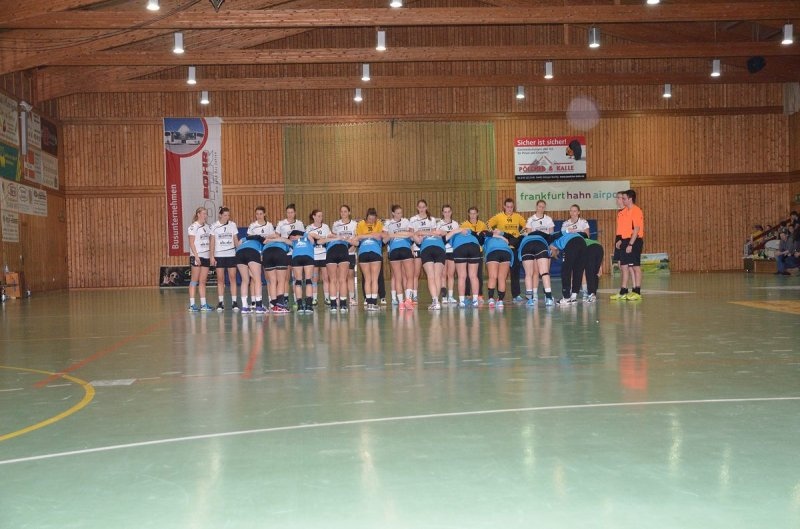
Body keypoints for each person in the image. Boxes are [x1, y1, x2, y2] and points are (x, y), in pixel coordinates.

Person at [487, 198, 526, 302]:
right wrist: (495, 234)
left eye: (511, 207)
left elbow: (526, 226)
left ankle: (516, 295)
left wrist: (519, 235)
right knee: (498, 273)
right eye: (508, 207)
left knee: (515, 271)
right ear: (504, 206)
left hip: (513, 247)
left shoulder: (518, 217)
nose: (509, 209)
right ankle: (498, 296)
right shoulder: (498, 216)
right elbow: (488, 224)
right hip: (502, 247)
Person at [611, 189, 645, 301]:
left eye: (624, 198)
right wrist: (621, 240)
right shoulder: (625, 212)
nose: (622, 200)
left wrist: (630, 244)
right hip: (625, 240)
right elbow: (625, 229)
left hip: (634, 240)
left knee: (635, 266)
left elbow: (636, 229)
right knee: (624, 265)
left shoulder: (636, 211)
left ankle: (637, 291)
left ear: (630, 199)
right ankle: (623, 291)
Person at [523, 200, 555, 307]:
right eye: (539, 206)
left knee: (545, 271)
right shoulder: (531, 219)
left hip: (545, 246)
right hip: (534, 246)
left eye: (543, 207)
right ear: (536, 207)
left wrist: (551, 246)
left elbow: (551, 235)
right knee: (535, 271)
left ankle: (547, 295)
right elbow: (528, 235)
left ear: (545, 208)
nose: (541, 208)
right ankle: (535, 294)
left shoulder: (548, 219)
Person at [383, 205, 415, 310]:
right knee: (400, 277)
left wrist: (395, 235)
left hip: (405, 248)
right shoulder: (388, 223)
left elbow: (412, 235)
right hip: (395, 249)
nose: (399, 215)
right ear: (393, 213)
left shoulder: (406, 221)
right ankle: (404, 301)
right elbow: (384, 239)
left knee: (407, 276)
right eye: (397, 213)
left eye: (401, 213)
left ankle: (405, 302)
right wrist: (393, 235)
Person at [327, 205, 358, 312]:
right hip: (340, 249)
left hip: (350, 250)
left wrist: (352, 247)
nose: (343, 213)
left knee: (349, 276)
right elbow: (333, 237)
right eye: (341, 211)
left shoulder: (354, 224)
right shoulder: (336, 224)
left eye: (345, 211)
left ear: (349, 212)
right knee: (337, 276)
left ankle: (352, 298)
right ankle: (337, 298)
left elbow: (356, 238)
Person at [209, 206, 240, 312]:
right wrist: (212, 256)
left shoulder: (232, 225)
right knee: (220, 279)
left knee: (232, 278)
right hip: (219, 255)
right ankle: (220, 302)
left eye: (228, 215)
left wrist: (239, 252)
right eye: (225, 215)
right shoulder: (214, 226)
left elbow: (235, 240)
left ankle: (234, 302)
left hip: (231, 255)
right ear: (220, 215)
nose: (227, 217)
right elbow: (212, 242)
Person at [276, 204, 305, 308]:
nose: (290, 214)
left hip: (297, 252)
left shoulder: (299, 223)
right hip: (285, 253)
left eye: (292, 212)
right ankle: (285, 299)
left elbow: (303, 236)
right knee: (285, 277)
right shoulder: (281, 223)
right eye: (288, 212)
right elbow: (277, 236)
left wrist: (297, 237)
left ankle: (298, 299)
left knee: (297, 277)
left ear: (295, 213)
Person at [409, 199, 438, 304]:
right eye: (420, 207)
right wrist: (412, 245)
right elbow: (411, 235)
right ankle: (414, 295)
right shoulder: (413, 219)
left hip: (428, 247)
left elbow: (434, 234)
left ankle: (435, 297)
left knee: (432, 274)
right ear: (417, 208)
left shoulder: (432, 220)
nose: (421, 209)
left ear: (426, 207)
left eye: (423, 207)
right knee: (416, 273)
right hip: (417, 247)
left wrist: (425, 235)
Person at [356, 208, 385, 311]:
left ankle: (370, 304)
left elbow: (382, 235)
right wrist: (373, 235)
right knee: (371, 279)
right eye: (369, 219)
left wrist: (366, 236)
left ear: (376, 218)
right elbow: (358, 237)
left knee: (370, 279)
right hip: (370, 251)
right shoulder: (361, 224)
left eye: (373, 219)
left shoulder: (379, 223)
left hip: (368, 252)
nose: (371, 221)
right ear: (366, 217)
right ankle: (372, 303)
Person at [446, 226, 482, 308]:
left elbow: (445, 239)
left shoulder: (453, 234)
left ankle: (462, 301)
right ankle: (475, 301)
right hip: (474, 246)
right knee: (473, 276)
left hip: (460, 247)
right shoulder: (469, 232)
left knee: (462, 276)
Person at [517, 230, 554, 307]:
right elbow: (553, 236)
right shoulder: (542, 236)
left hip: (526, 245)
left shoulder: (523, 237)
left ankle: (530, 300)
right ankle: (549, 298)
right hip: (540, 244)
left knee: (528, 274)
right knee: (545, 273)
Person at [549, 231, 587, 305]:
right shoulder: (563, 237)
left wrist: (553, 253)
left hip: (572, 243)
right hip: (583, 242)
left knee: (566, 271)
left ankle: (566, 298)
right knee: (578, 270)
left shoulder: (554, 243)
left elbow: (554, 251)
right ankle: (574, 297)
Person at [246, 206, 274, 309]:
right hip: (255, 252)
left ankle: (271, 301)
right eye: (257, 214)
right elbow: (249, 239)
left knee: (268, 277)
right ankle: (254, 302)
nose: (259, 216)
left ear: (264, 214)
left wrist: (267, 239)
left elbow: (273, 237)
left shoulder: (269, 225)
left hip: (267, 251)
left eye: (261, 214)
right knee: (254, 278)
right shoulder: (252, 226)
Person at [414, 225, 446, 310]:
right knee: (437, 276)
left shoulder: (425, 236)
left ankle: (435, 301)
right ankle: (436, 302)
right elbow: (417, 234)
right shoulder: (437, 235)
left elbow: (416, 234)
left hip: (427, 249)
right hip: (440, 249)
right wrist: (434, 233)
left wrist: (425, 234)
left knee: (431, 277)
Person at [187, 207, 213, 312]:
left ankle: (203, 304)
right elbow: (191, 243)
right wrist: (196, 256)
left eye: (206, 213)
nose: (205, 215)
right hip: (197, 256)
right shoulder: (193, 227)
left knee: (202, 281)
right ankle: (192, 305)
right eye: (203, 213)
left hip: (206, 256)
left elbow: (210, 241)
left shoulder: (208, 227)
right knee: (194, 280)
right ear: (198, 214)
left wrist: (211, 255)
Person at [261, 229, 292, 314]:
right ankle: (280, 305)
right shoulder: (283, 240)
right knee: (281, 280)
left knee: (272, 281)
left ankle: (274, 305)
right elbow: (291, 244)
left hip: (266, 253)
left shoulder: (266, 242)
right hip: (279, 252)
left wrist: (269, 238)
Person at [460, 206, 487, 304]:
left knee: (478, 274)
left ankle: (479, 295)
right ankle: (467, 295)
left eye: (474, 213)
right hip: (467, 251)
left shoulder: (482, 225)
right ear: (468, 214)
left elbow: (484, 238)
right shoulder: (464, 225)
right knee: (466, 274)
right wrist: (477, 234)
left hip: (478, 251)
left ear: (477, 214)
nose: (472, 215)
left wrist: (477, 235)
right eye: (471, 213)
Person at [235, 230, 265, 314]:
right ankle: (258, 306)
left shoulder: (244, 239)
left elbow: (238, 244)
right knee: (258, 279)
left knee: (245, 280)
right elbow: (262, 256)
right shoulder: (262, 242)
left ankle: (244, 307)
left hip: (239, 253)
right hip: (252, 252)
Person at [306, 209, 331, 305]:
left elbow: (328, 238)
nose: (321, 218)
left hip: (324, 255)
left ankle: (327, 298)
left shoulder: (325, 227)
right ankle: (314, 298)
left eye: (321, 216)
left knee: (326, 278)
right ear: (314, 217)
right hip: (314, 255)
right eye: (319, 216)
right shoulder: (309, 228)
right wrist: (319, 239)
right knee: (314, 278)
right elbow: (309, 239)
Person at [483, 230, 515, 308]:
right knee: (501, 278)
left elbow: (513, 238)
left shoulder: (488, 237)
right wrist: (501, 236)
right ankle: (500, 301)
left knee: (493, 277)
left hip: (494, 252)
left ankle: (491, 299)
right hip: (505, 252)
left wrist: (502, 234)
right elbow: (484, 232)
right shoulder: (494, 236)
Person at [437, 205, 460, 304]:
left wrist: (447, 233)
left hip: (452, 251)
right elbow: (439, 236)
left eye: (448, 211)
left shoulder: (455, 224)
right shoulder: (439, 224)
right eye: (445, 212)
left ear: (451, 212)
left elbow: (457, 236)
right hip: (442, 250)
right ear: (442, 213)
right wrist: (449, 234)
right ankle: (444, 296)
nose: (447, 213)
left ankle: (450, 296)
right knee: (443, 274)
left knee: (451, 274)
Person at [289, 230, 316, 313]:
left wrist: (301, 236)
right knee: (306, 281)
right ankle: (306, 305)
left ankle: (302, 305)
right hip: (305, 257)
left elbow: (310, 237)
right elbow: (287, 239)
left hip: (299, 257)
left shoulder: (301, 239)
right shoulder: (295, 240)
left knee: (300, 281)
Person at [583, 238, 604, 302]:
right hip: (600, 249)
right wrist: (600, 266)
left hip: (590, 249)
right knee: (595, 273)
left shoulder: (576, 242)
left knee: (589, 272)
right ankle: (593, 293)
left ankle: (590, 294)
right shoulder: (589, 240)